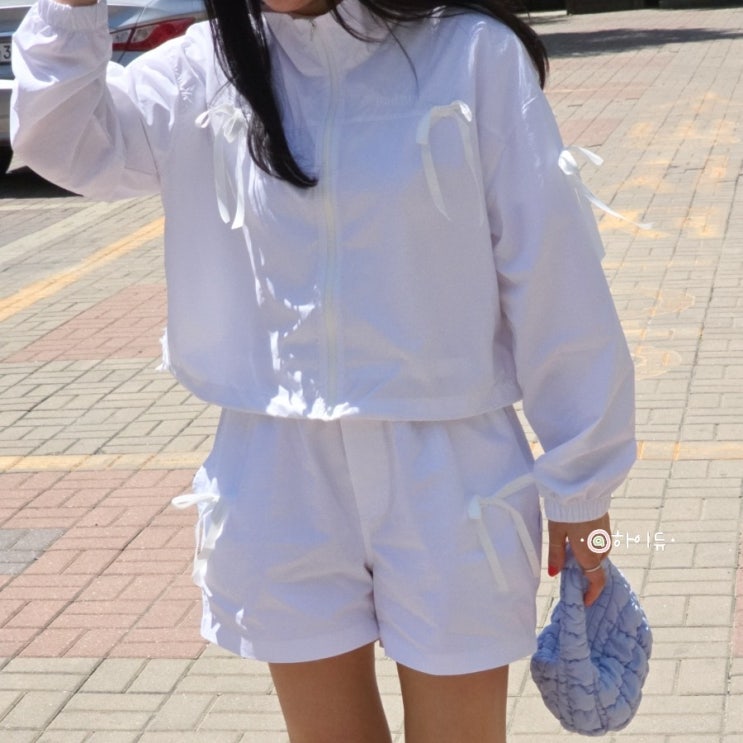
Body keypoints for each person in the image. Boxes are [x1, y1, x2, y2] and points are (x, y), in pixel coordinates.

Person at [11, 0, 637, 740]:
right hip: (275, 472)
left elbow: (553, 273)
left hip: (450, 469)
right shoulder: (203, 69)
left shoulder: (471, 55)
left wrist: (582, 490)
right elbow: (63, 139)